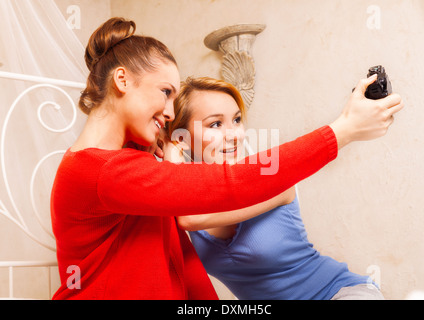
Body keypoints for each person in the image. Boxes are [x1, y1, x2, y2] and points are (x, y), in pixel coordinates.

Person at [50, 17, 403, 300]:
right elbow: (224, 188)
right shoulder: (103, 171)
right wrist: (342, 131)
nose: (169, 111)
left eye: (235, 120)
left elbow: (183, 262)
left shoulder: (133, 170)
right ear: (122, 80)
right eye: (165, 93)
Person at [164, 77, 397, 300]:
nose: (234, 135)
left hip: (338, 293)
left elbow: (189, 215)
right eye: (215, 124)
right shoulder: (187, 192)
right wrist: (171, 147)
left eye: (236, 120)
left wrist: (170, 148)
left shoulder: (268, 175)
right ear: (182, 137)